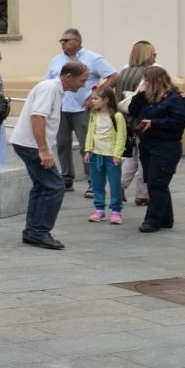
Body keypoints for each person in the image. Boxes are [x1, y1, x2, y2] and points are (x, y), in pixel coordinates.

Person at [10, 60, 88, 250]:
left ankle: (32, 231)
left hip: (28, 144)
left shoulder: (55, 89)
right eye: (82, 80)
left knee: (42, 186)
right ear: (68, 77)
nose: (84, 84)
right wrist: (43, 150)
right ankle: (39, 232)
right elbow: (37, 117)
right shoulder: (49, 88)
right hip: (31, 146)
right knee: (55, 186)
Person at [45, 28, 116, 195]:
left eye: (66, 40)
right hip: (60, 108)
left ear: (77, 41)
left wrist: (95, 94)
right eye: (61, 41)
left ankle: (93, 182)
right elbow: (47, 81)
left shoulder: (93, 58)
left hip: (83, 109)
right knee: (62, 145)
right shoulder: (56, 60)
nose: (62, 43)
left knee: (87, 145)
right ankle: (66, 179)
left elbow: (114, 76)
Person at [129, 66, 185, 233]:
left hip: (166, 146)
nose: (145, 83)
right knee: (157, 183)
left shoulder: (176, 99)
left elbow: (179, 123)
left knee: (157, 183)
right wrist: (139, 95)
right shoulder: (148, 98)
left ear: (156, 81)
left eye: (147, 80)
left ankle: (152, 220)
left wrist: (154, 123)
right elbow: (133, 111)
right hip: (147, 145)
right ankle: (166, 219)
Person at [111, 41, 160, 209]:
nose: (155, 57)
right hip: (141, 120)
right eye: (153, 54)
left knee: (132, 155)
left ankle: (119, 186)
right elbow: (151, 97)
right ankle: (142, 195)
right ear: (146, 55)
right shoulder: (149, 74)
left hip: (124, 119)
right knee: (144, 158)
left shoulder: (122, 73)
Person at [84, 87, 127, 224]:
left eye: (96, 98)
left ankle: (116, 211)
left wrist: (117, 154)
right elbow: (90, 133)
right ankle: (99, 210)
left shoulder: (117, 116)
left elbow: (121, 136)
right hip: (96, 155)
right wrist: (88, 150)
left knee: (114, 185)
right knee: (97, 184)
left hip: (111, 156)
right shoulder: (94, 115)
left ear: (106, 100)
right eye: (92, 98)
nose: (92, 101)